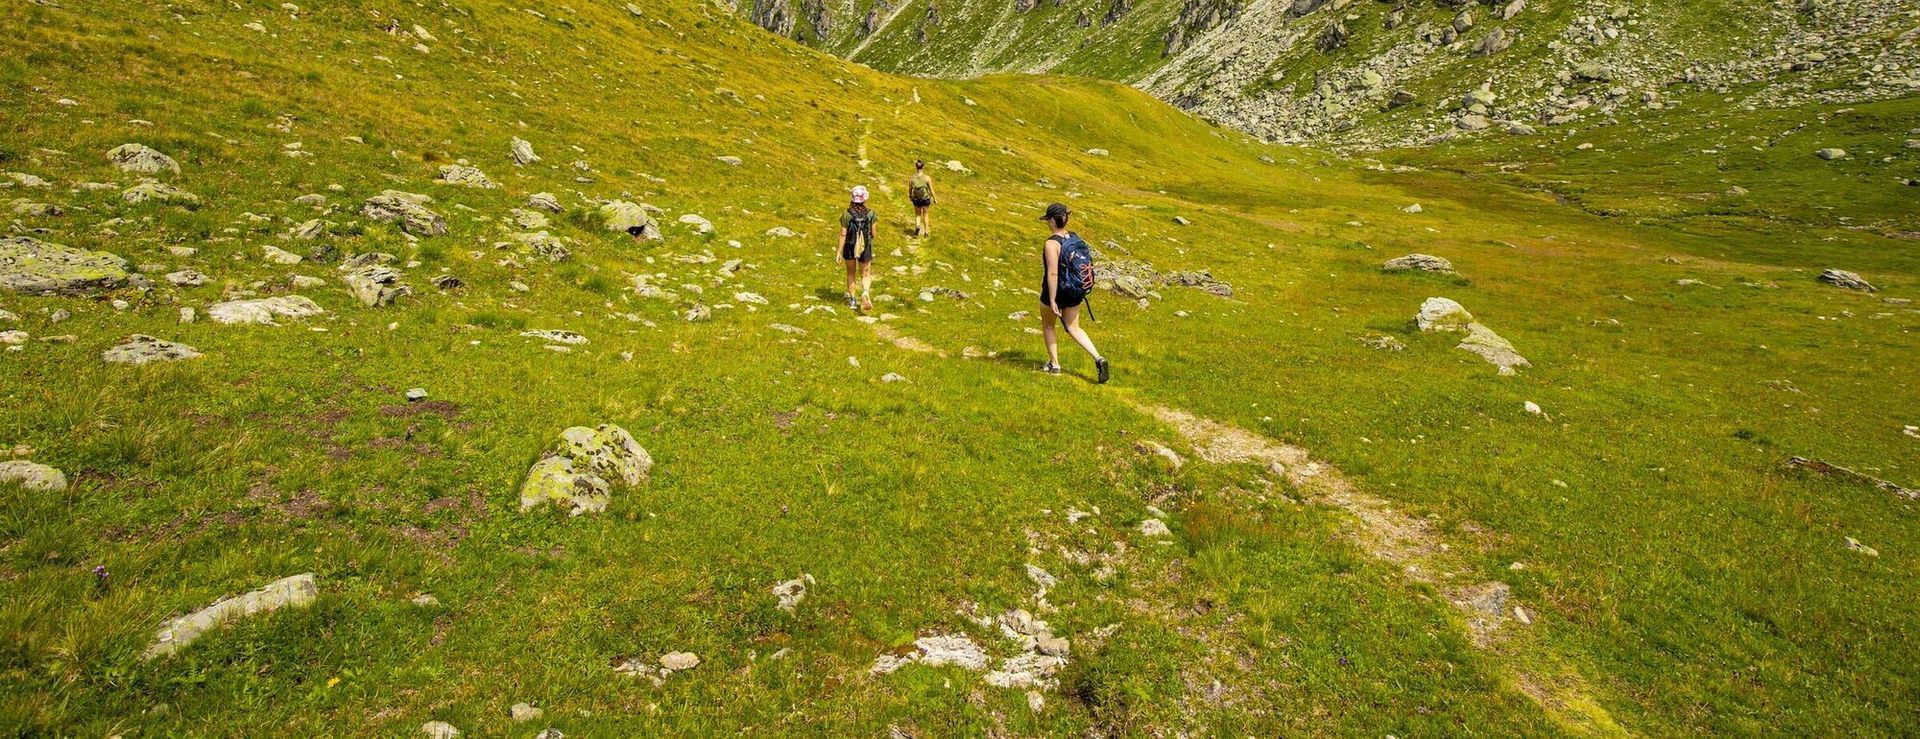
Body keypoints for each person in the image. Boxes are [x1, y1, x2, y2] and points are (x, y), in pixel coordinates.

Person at [1037, 202, 1109, 383]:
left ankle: (1055, 364)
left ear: (1052, 220)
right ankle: (1098, 358)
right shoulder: (1074, 237)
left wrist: (1052, 299)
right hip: (1074, 290)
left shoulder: (1051, 243)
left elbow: (1052, 273)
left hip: (1056, 291)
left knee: (1048, 326)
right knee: (1074, 327)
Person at [837, 185, 878, 311]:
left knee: (851, 272)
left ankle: (853, 301)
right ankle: (865, 292)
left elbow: (843, 234)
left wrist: (839, 252)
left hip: (849, 246)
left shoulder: (846, 214)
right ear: (865, 199)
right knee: (865, 273)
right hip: (865, 246)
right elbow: (873, 233)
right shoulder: (871, 214)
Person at [908, 160, 936, 237]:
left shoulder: (912, 178)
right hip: (925, 199)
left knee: (918, 214)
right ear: (923, 167)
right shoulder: (927, 178)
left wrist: (910, 196)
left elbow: (910, 189)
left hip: (916, 199)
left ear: (916, 167)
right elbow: (931, 189)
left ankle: (917, 226)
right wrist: (935, 198)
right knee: (925, 215)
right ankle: (926, 232)